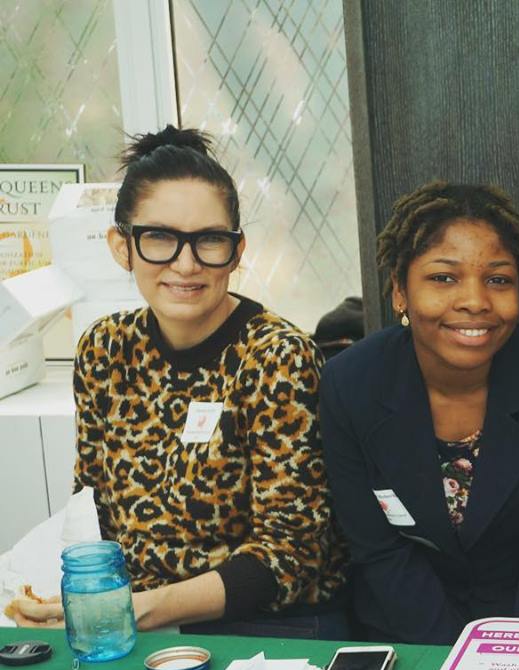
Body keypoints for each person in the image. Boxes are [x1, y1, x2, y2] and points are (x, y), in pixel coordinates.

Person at [11, 126, 347, 634]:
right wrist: (77, 596)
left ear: (236, 252)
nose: (185, 264)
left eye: (209, 240)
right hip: (140, 626)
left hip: (266, 631)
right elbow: (93, 508)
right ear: (121, 246)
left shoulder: (276, 357)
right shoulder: (105, 350)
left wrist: (130, 611)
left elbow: (290, 558)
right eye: (160, 239)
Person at [319, 181, 519, 645]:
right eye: (443, 278)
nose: (475, 300)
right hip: (406, 635)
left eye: (498, 279)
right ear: (399, 291)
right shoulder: (350, 385)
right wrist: (451, 668)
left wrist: (505, 660)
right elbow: (378, 551)